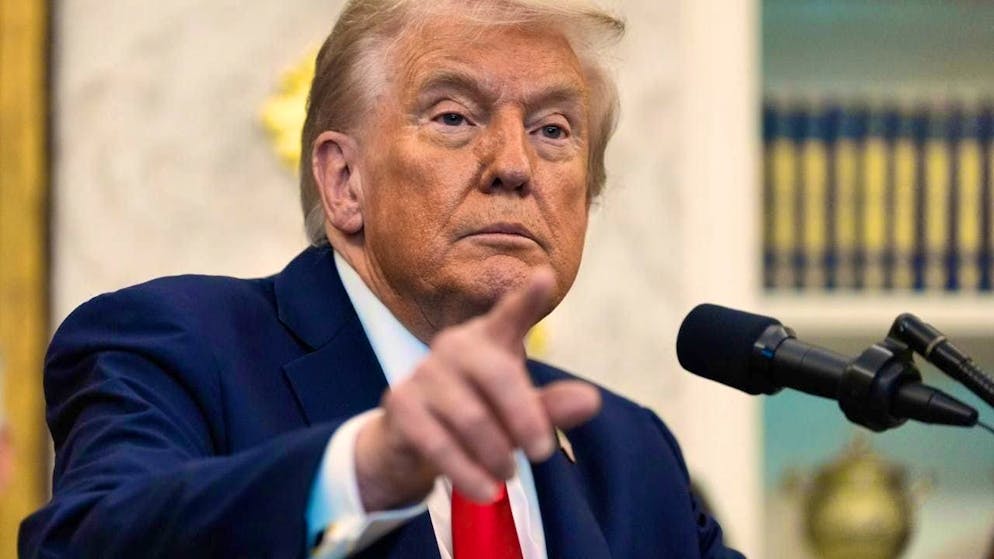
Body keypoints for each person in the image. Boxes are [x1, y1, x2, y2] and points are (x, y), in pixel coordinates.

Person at [20, 0, 744, 557]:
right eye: (456, 116)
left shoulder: (630, 451)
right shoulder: (176, 347)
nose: (514, 164)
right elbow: (89, 543)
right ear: (343, 181)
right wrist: (363, 472)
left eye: (554, 129)